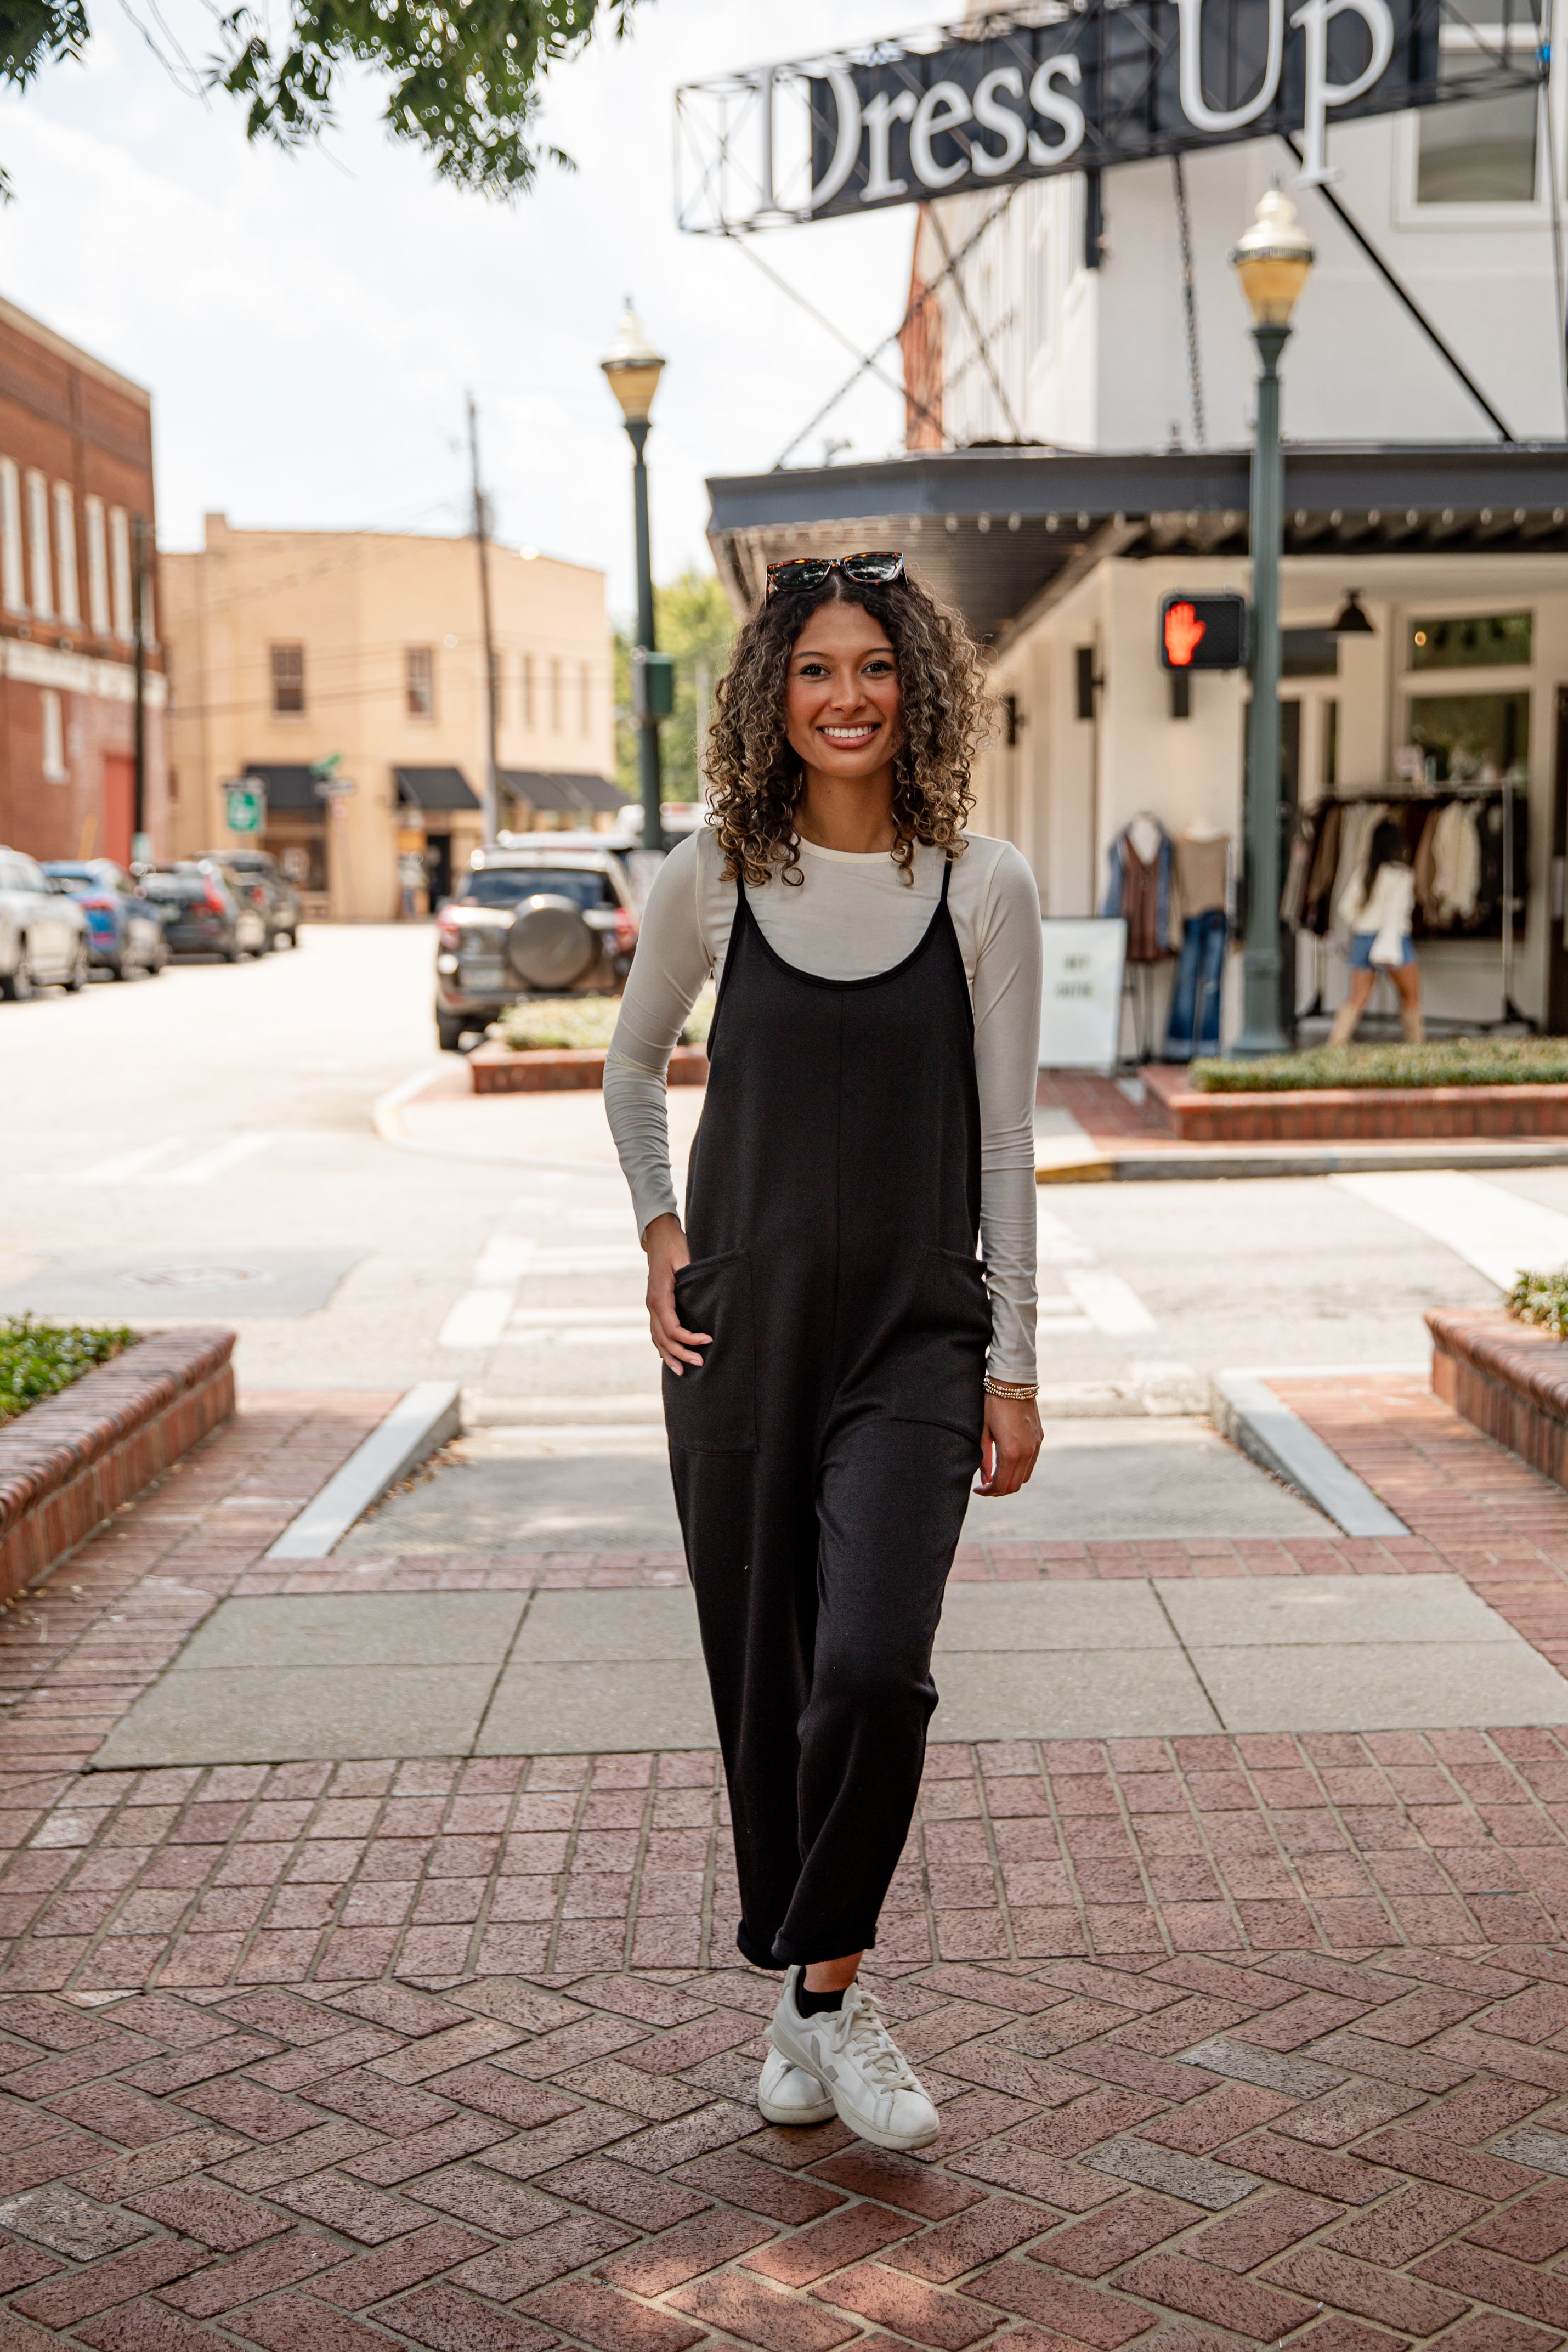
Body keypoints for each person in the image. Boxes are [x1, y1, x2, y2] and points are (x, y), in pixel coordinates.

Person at [604, 552, 1044, 2153]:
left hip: (918, 1337)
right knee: (766, 1678)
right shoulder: (717, 867)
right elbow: (630, 1063)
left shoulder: (981, 881)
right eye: (814, 670)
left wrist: (1014, 1362)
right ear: (770, 697)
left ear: (913, 687)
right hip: (740, 1332)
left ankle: (824, 1995)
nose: (845, 695)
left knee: (869, 1665)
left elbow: (1005, 1143)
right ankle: (813, 1994)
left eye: (872, 667)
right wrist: (662, 1238)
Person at [1328, 815, 1423, 1044]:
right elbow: (1397, 914)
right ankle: (1417, 1049)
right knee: (1410, 997)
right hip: (1394, 939)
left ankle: (1334, 1046)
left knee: (1357, 998)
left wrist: (1362, 923)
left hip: (1364, 938)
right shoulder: (1403, 875)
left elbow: (1345, 907)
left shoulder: (1365, 872)